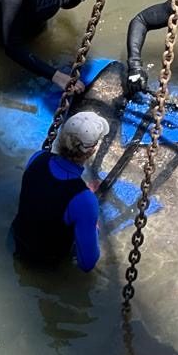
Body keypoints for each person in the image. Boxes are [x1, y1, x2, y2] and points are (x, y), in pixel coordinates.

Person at [11, 111, 108, 271]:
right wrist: (91, 220)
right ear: (91, 150)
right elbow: (87, 264)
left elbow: (46, 196)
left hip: (16, 240)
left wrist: (82, 196)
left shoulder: (37, 158)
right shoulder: (84, 200)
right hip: (47, 264)